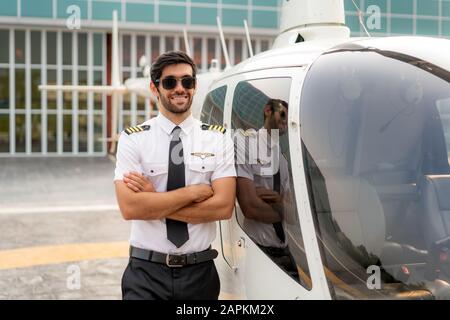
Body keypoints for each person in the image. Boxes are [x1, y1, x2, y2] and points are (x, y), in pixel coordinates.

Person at [114, 51, 236, 300]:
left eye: (187, 81)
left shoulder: (217, 138)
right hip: (145, 274)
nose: (180, 88)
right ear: (154, 88)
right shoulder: (133, 138)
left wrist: (153, 199)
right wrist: (192, 193)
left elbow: (223, 207)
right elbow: (130, 207)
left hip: (200, 274)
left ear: (194, 86)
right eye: (170, 82)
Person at [234, 98, 300, 281]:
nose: (287, 120)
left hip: (285, 252)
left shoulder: (283, 161)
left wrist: (277, 202)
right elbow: (250, 208)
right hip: (259, 252)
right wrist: (283, 208)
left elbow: (293, 216)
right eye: (283, 114)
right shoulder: (246, 145)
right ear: (268, 111)